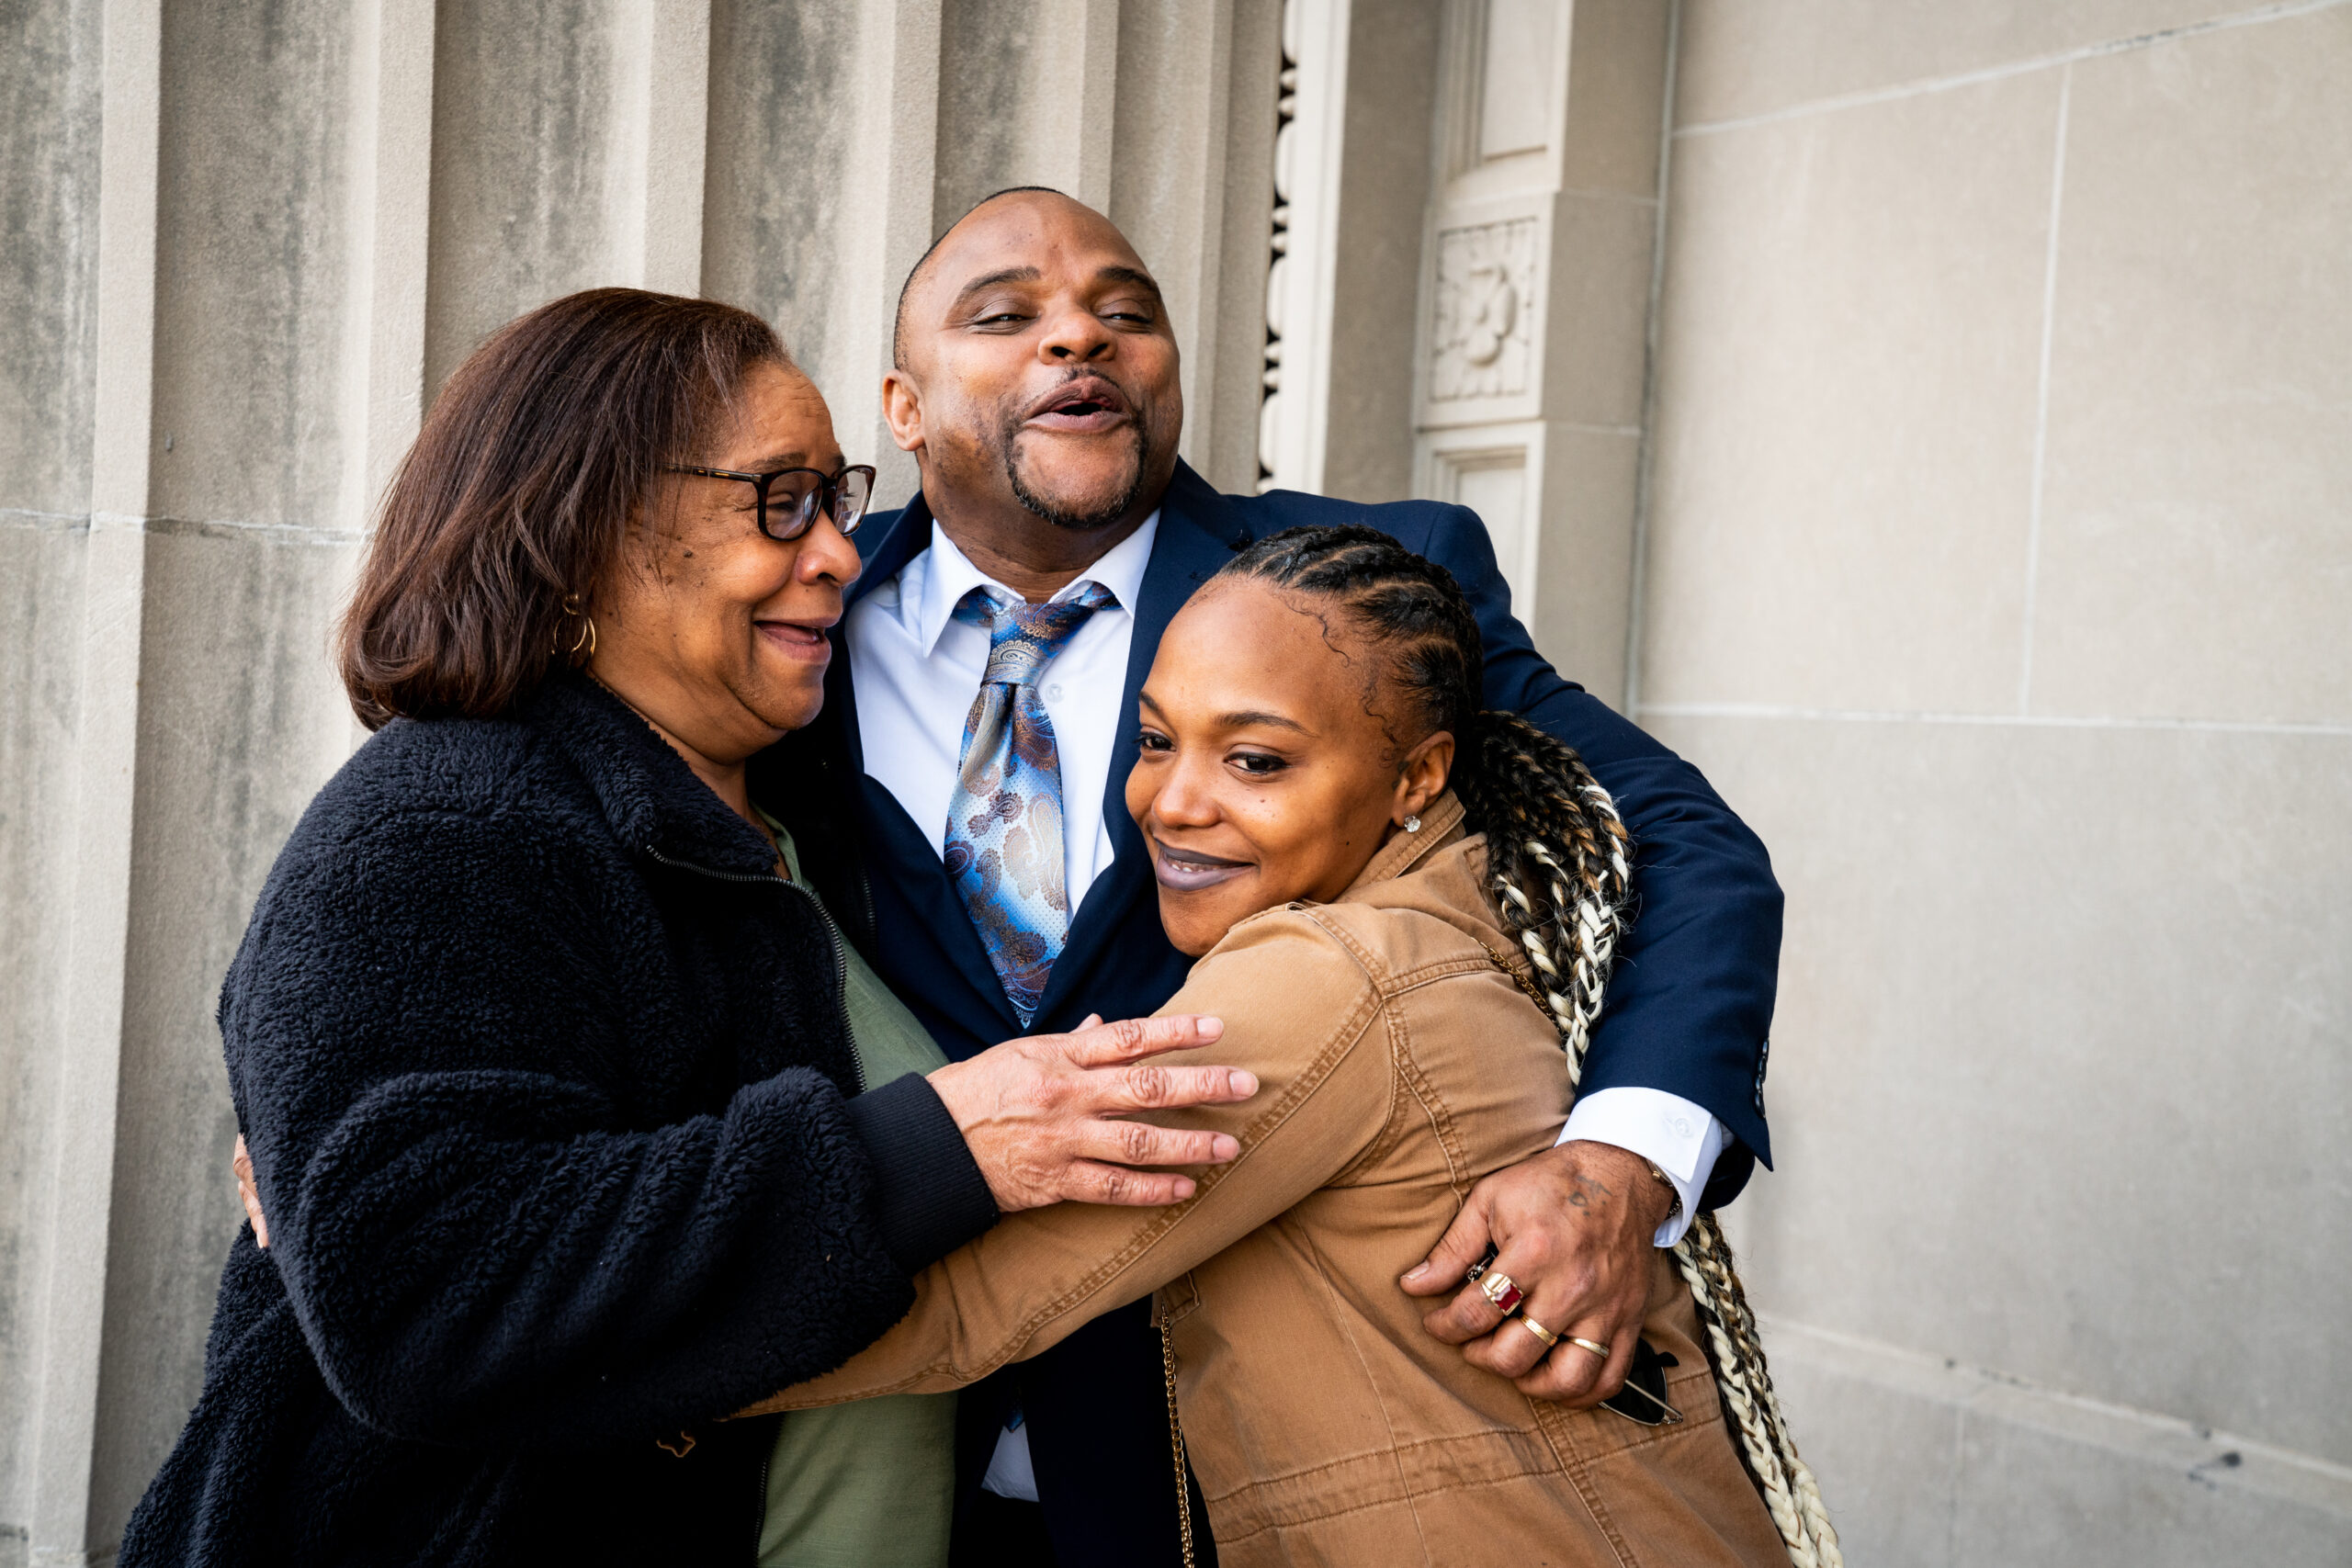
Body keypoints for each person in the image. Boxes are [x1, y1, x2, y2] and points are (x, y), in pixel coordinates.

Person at [123, 289, 1260, 1566]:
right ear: (584, 524)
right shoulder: (440, 820)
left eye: (836, 500)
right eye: (781, 502)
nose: (840, 555)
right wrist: (947, 1145)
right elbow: (421, 1298)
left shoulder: (802, 818)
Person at [770, 187, 1785, 1564]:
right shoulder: (792, 615)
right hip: (890, 1471)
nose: (1080, 337)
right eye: (1007, 316)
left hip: (1245, 1475)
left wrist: (1623, 1168)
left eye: (1126, 312)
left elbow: (1674, 837)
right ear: (901, 406)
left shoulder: (1355, 592)